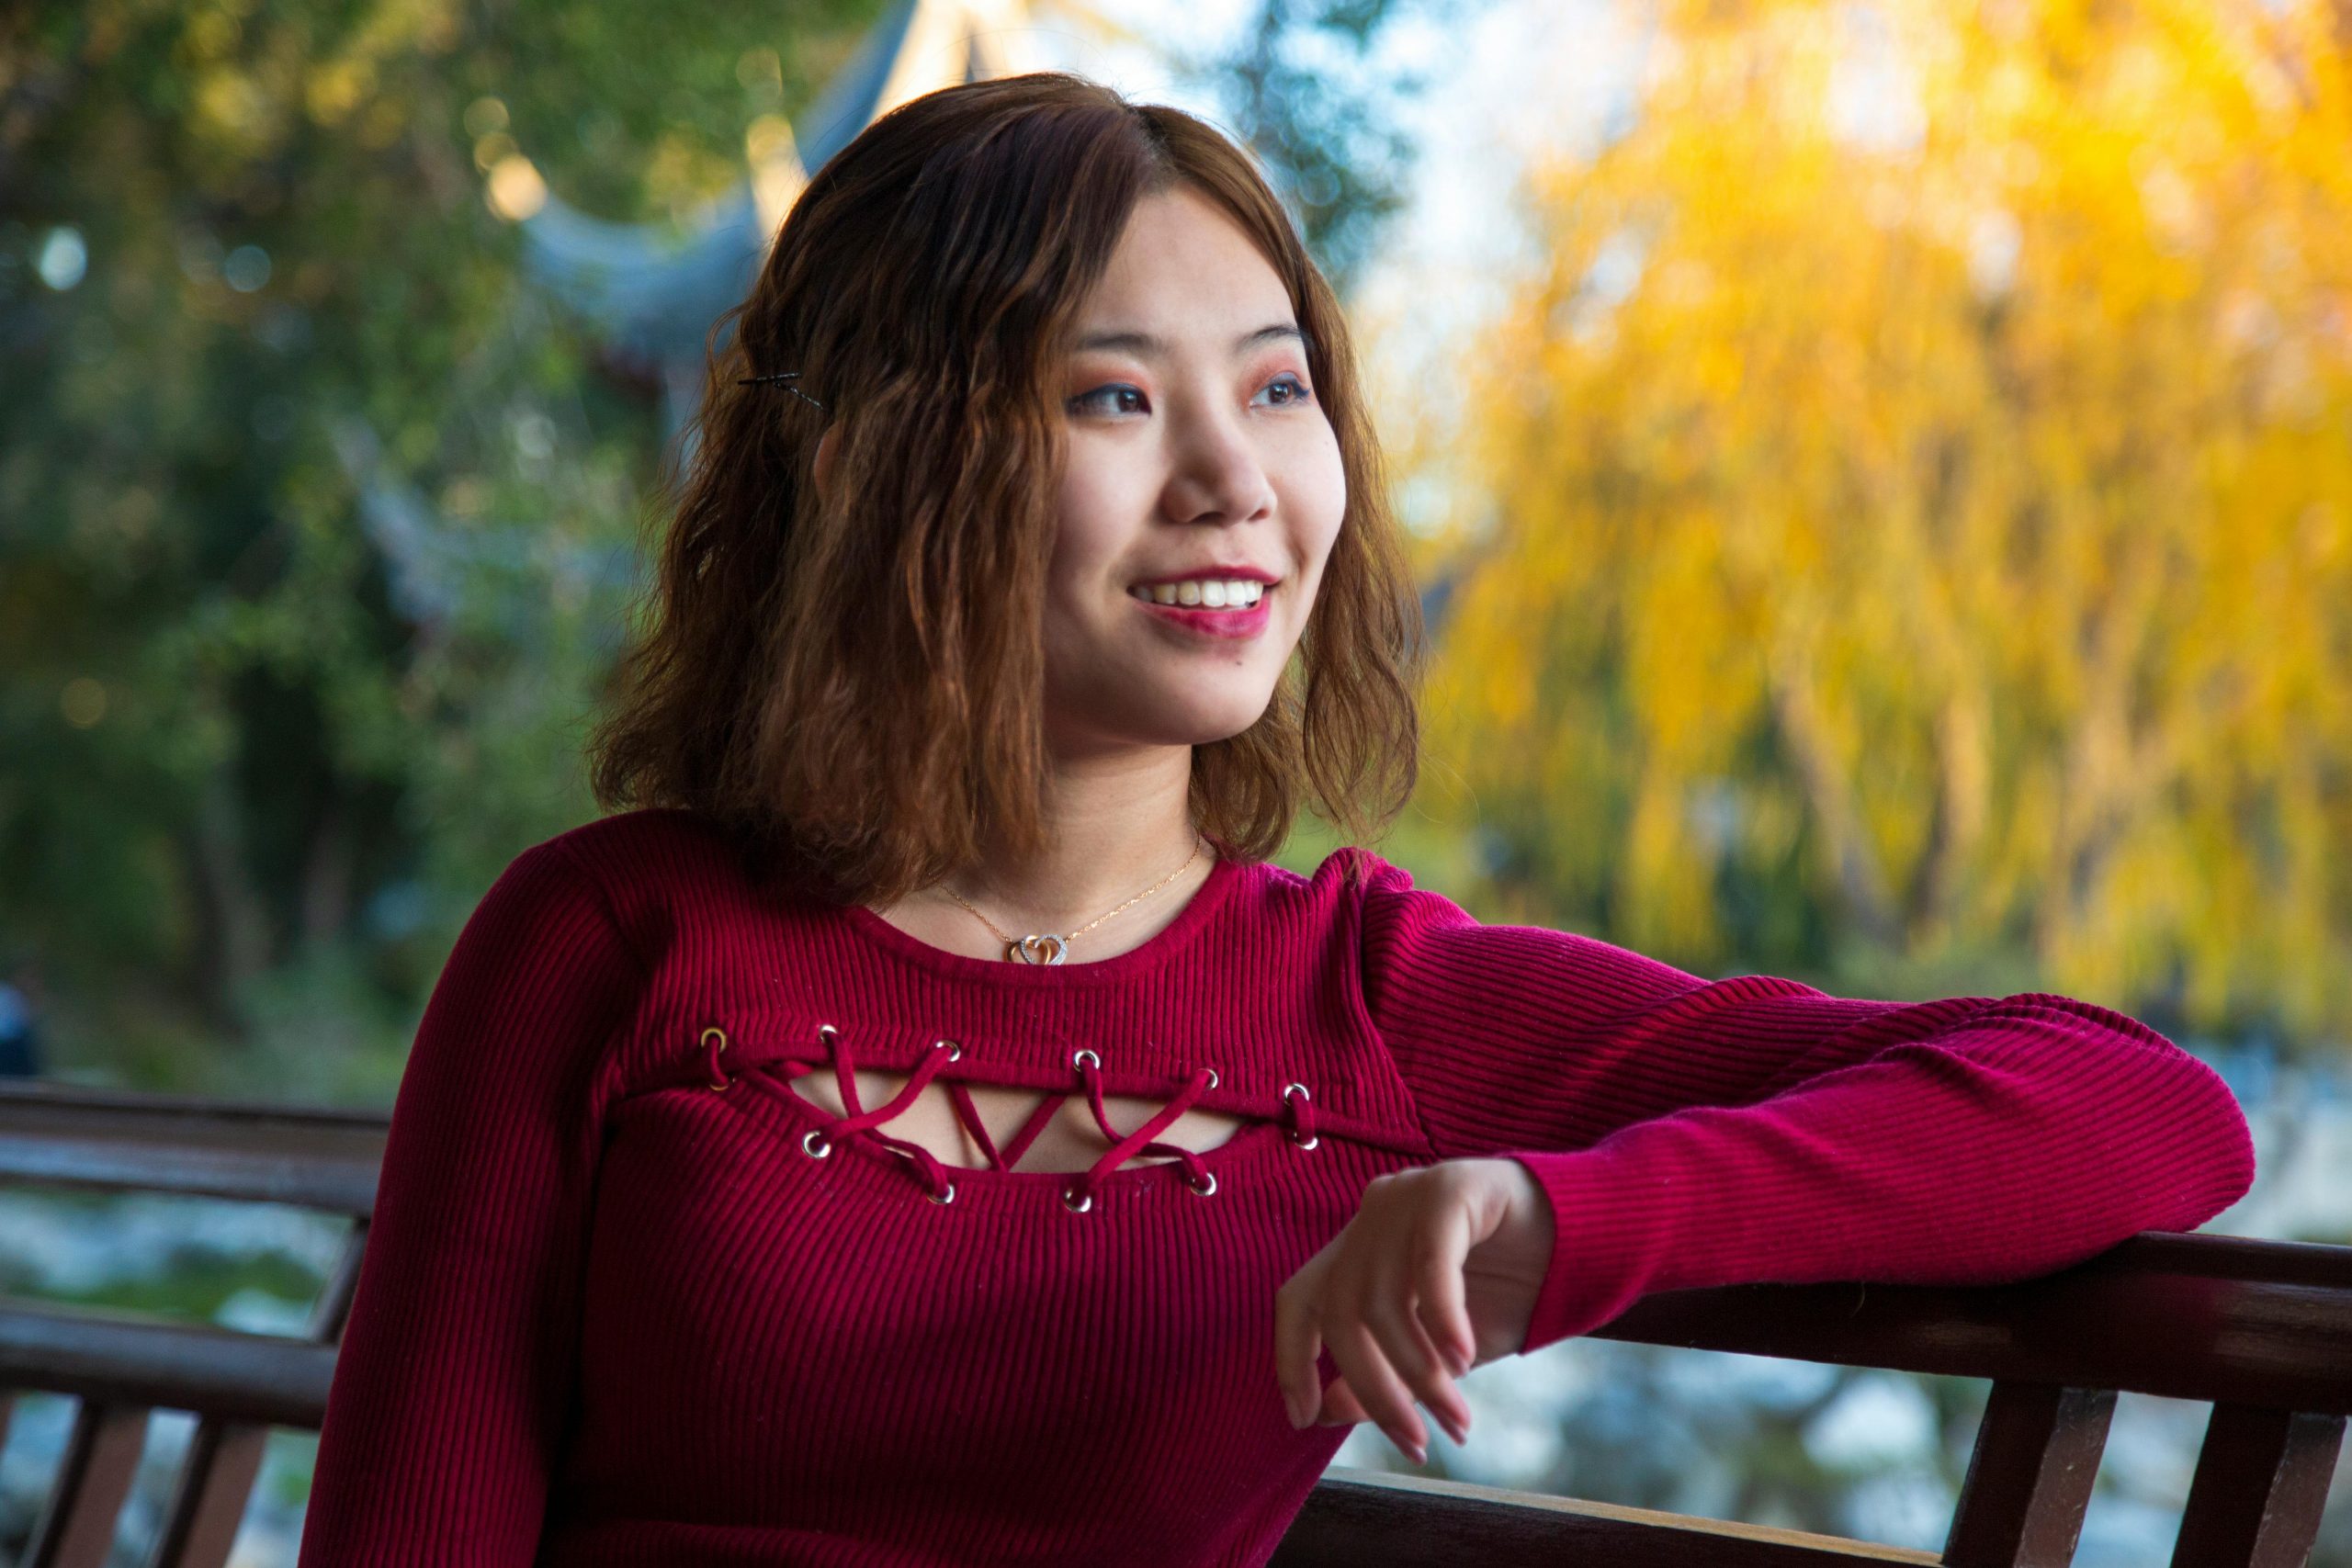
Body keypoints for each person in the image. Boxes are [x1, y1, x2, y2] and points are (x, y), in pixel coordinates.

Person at [297, 71, 2255, 1566]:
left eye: (1280, 387)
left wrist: (1551, 1214)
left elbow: (2139, 1104)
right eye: (1112, 401)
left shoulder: (1372, 1010)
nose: (1239, 483)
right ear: (878, 461)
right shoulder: (610, 943)